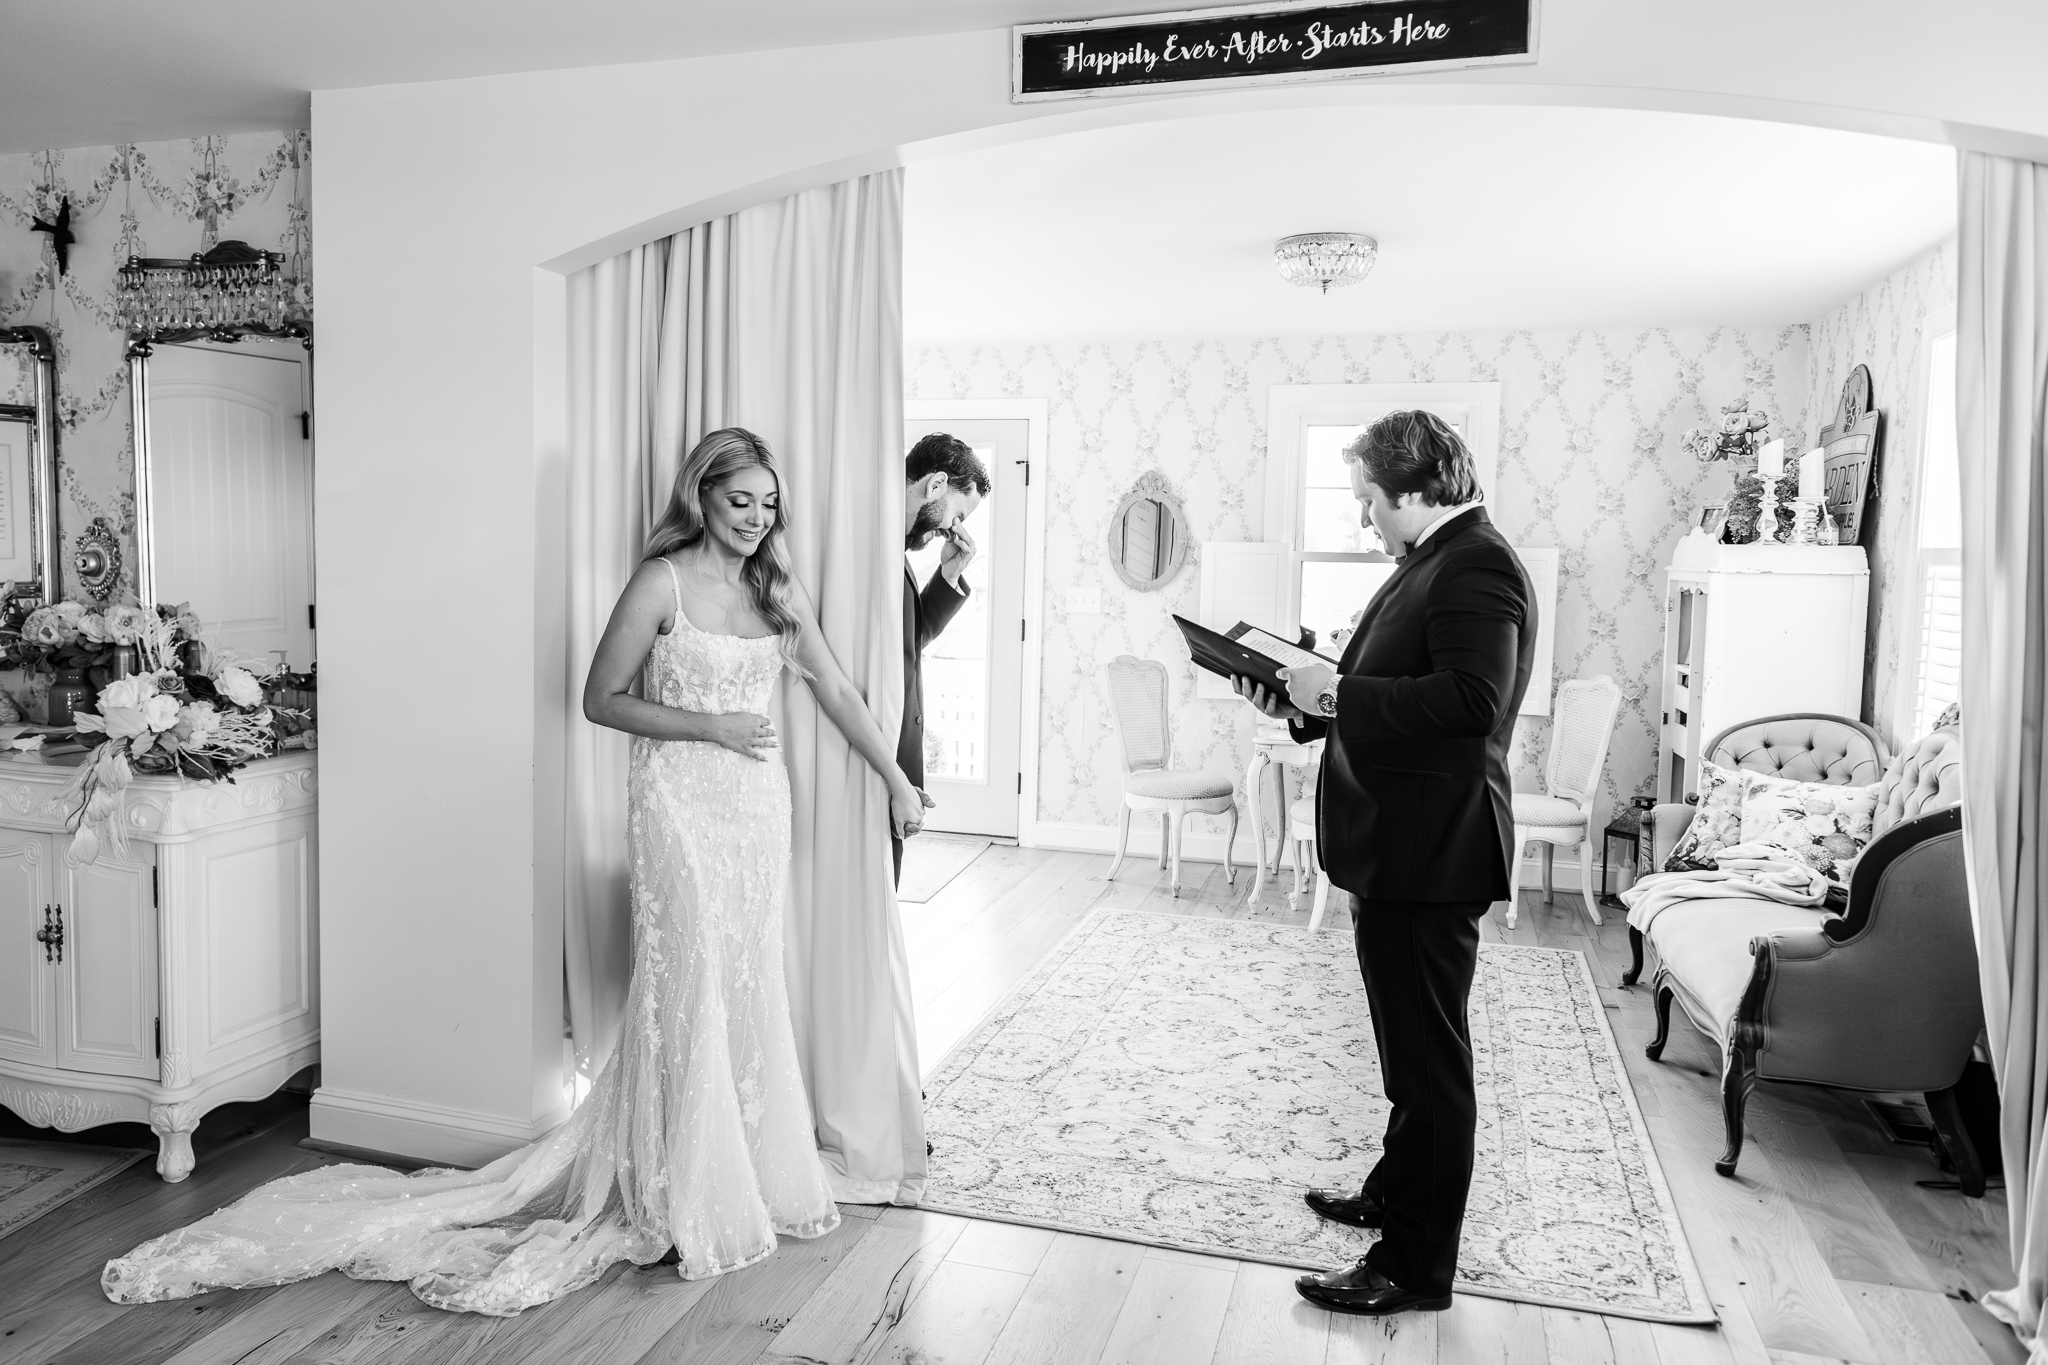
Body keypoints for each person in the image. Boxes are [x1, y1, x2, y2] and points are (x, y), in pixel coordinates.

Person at [102, 428, 926, 1315]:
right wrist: (712, 727)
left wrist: (896, 776)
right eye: (741, 502)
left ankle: (736, 1175)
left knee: (745, 982)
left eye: (769, 505)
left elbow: (837, 688)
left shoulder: (776, 585)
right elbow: (599, 699)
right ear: (702, 496)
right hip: (679, 807)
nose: (758, 520)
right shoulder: (662, 581)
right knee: (685, 988)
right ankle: (677, 1191)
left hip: (758, 813)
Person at [1235, 410, 1534, 1317]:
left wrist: (1339, 691)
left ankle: (1413, 1263)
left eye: (1369, 499)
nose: (1365, 518)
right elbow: (1388, 688)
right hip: (1401, 845)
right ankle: (1393, 1193)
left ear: (1414, 488)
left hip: (1432, 852)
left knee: (1431, 1063)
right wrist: (1298, 696)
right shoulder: (1431, 562)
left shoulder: (1477, 562)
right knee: (1406, 1051)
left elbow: (1471, 701)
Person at [896, 433, 990, 881]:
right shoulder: (872, 548)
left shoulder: (899, 551)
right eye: (957, 514)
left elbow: (906, 644)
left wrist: (949, 571)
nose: (952, 530)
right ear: (935, 485)